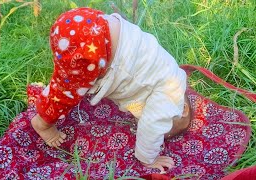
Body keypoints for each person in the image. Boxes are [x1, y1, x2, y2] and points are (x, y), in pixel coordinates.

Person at [31, 7, 189, 172]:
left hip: (93, 22)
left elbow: (141, 100)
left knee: (67, 79)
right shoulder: (172, 94)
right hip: (94, 43)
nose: (163, 135)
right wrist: (149, 158)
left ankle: (52, 94)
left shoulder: (170, 71)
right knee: (67, 92)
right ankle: (43, 124)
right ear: (183, 109)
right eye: (168, 127)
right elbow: (152, 124)